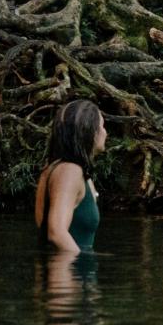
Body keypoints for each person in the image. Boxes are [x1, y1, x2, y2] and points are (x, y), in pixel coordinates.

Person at [35, 99, 107, 254]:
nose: (105, 132)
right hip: (67, 275)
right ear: (90, 131)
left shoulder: (61, 169)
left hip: (73, 273)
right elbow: (56, 233)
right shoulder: (69, 172)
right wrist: (77, 263)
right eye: (102, 126)